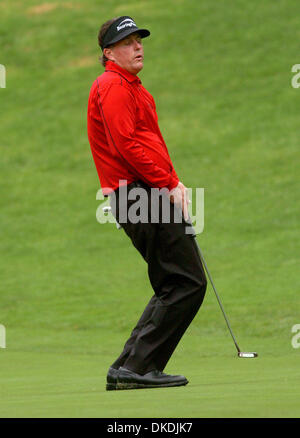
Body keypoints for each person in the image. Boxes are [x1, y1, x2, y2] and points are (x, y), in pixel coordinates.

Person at [87, 16, 207, 390]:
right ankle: (138, 366)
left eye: (139, 40)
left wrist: (172, 183)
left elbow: (144, 143)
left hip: (143, 192)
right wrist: (169, 183)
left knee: (174, 281)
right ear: (109, 53)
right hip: (138, 192)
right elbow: (128, 145)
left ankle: (128, 366)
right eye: (127, 42)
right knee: (187, 281)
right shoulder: (113, 85)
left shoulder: (133, 87)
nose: (137, 46)